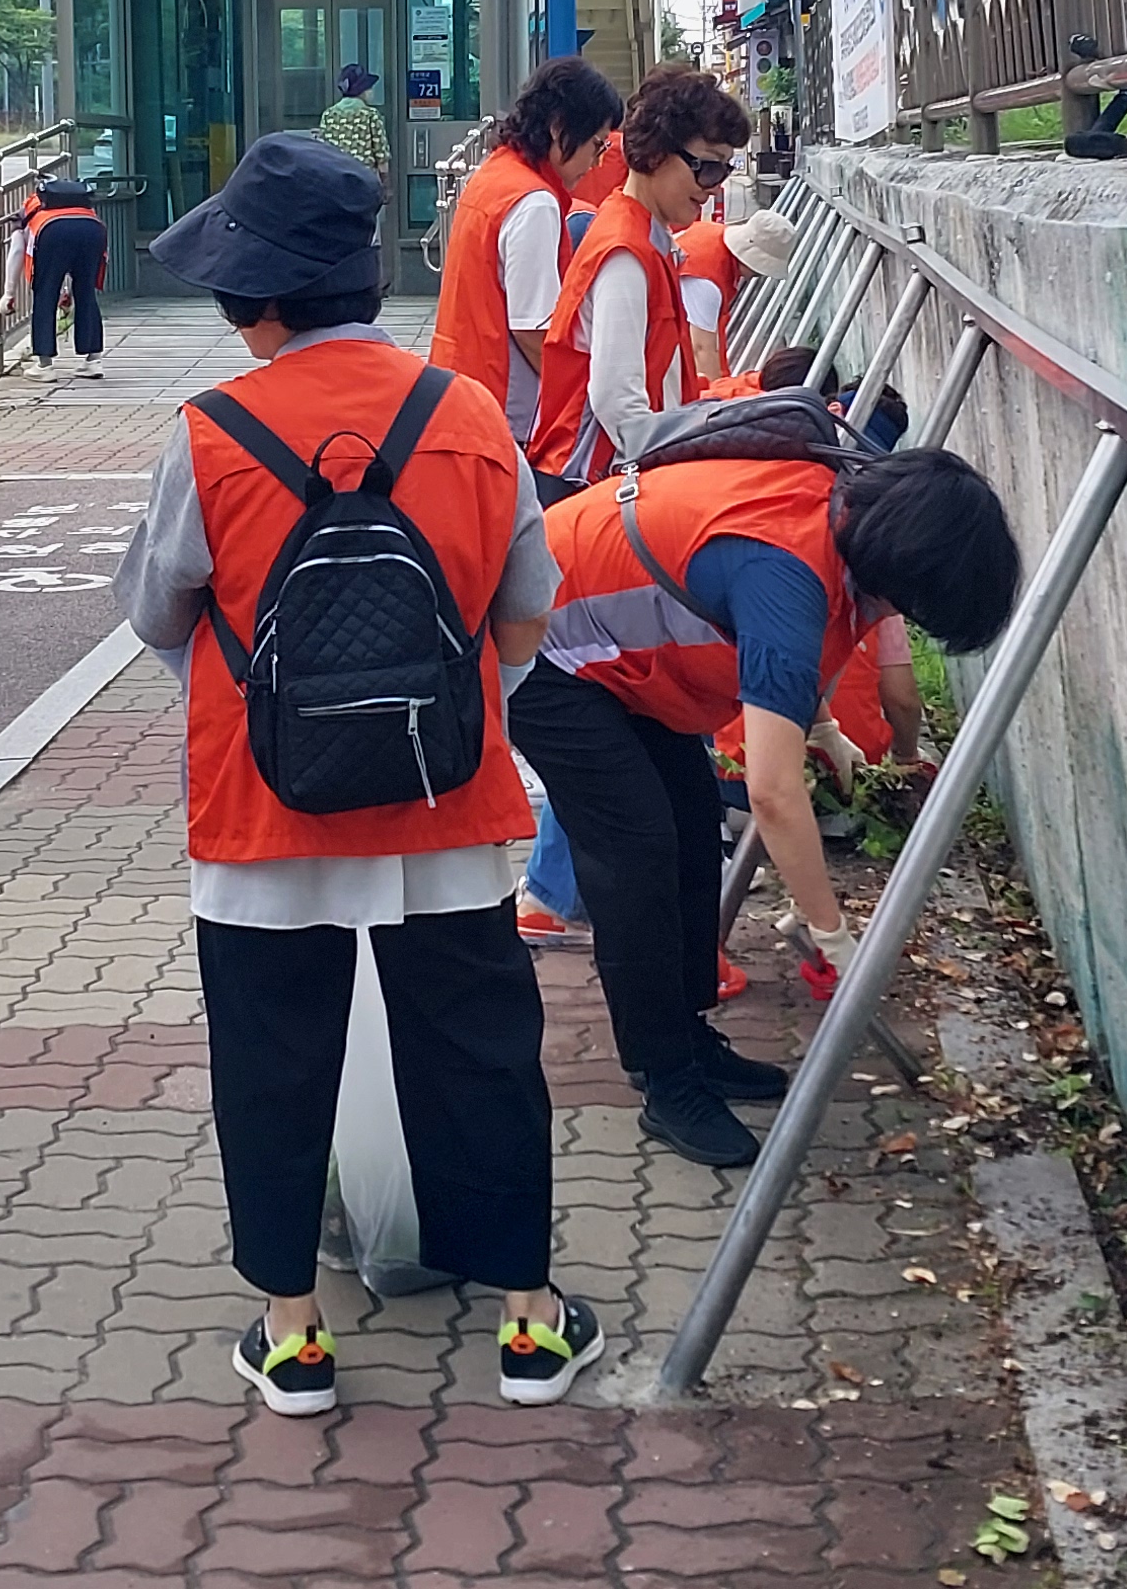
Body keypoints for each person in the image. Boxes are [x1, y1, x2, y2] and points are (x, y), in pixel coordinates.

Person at [115, 133, 594, 1418]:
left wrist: (271, 711)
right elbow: (528, 604)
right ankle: (532, 1327)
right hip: (447, 809)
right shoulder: (470, 414)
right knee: (482, 1051)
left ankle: (294, 1337)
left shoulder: (207, 434)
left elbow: (160, 613)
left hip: (261, 820)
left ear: (254, 297)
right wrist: (446, 713)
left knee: (271, 1063)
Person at [516, 439, 1019, 1165]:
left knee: (692, 829)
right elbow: (775, 794)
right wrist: (831, 930)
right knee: (637, 851)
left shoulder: (837, 515)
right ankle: (665, 1080)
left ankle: (690, 1036)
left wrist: (822, 726)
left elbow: (795, 649)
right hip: (542, 649)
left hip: (616, 663)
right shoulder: (785, 570)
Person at [530, 70, 752, 491]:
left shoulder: (647, 236)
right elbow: (619, 403)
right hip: (590, 483)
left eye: (724, 171)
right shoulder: (625, 253)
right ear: (656, 153)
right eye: (705, 167)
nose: (712, 188)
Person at [427, 58, 618, 454]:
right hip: (505, 405)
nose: (598, 161)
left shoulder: (495, 174)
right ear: (559, 128)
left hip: (461, 385)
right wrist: (582, 402)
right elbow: (533, 329)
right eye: (597, 144)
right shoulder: (534, 202)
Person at [675, 207, 798, 390]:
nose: (759, 274)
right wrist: (717, 400)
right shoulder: (706, 279)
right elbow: (701, 349)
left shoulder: (712, 234)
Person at [1, 174, 109, 377]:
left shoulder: (30, 206)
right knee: (86, 294)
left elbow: (17, 250)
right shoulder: (82, 204)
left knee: (45, 295)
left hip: (50, 231)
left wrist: (9, 293)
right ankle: (93, 360)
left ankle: (44, 364)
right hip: (93, 230)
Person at [313, 61, 391, 178]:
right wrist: (386, 185)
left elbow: (325, 151)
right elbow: (381, 158)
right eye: (369, 88)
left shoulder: (328, 114)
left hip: (336, 179)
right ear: (362, 90)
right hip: (363, 180)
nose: (371, 92)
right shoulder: (370, 115)